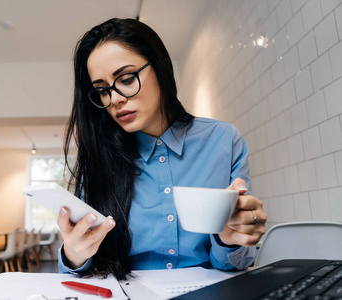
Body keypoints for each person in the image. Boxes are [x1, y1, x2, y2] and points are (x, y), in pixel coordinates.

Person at [57, 18, 266, 280]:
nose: (115, 99)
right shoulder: (99, 157)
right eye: (102, 90)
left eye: (126, 78)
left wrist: (230, 240)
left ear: (160, 67)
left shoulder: (223, 140)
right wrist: (74, 254)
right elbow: (78, 270)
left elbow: (236, 263)